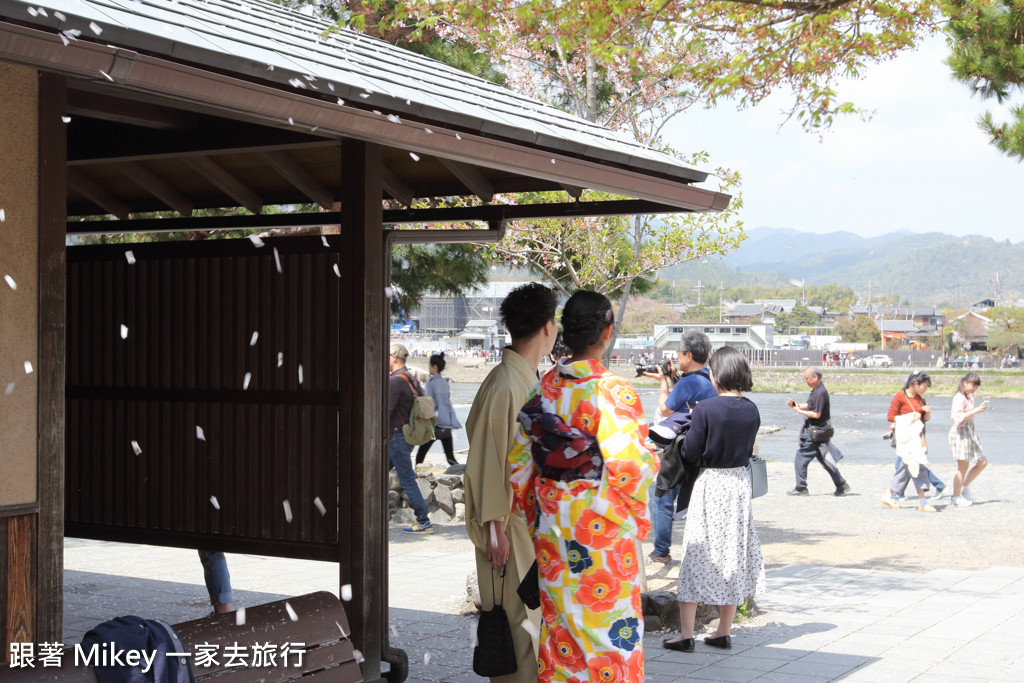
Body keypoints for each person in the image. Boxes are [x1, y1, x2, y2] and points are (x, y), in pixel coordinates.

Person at [508, 290, 657, 682]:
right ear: (607, 333)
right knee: (609, 640)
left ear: (565, 333)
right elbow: (631, 468)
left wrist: (542, 515)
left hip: (555, 535)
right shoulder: (612, 391)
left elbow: (519, 468)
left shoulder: (544, 389)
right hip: (602, 535)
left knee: (562, 635)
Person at [465, 282, 558, 683]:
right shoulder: (507, 384)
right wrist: (493, 526)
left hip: (523, 524)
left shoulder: (522, 379)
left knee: (530, 628)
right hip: (506, 527)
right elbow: (488, 458)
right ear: (548, 328)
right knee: (515, 630)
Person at [663, 346, 765, 653]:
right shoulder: (752, 409)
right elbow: (748, 451)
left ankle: (686, 634)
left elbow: (691, 453)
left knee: (697, 552)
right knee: (732, 553)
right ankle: (723, 631)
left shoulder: (706, 409)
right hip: (738, 484)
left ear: (717, 374)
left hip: (711, 484)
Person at [645, 330, 716, 564]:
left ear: (688, 354)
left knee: (662, 496)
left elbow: (666, 409)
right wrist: (675, 379)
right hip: (705, 449)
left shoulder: (689, 381)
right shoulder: (708, 377)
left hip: (683, 450)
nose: (677, 358)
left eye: (679, 353)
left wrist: (663, 382)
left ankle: (661, 552)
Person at [785, 366, 851, 496]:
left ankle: (801, 488)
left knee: (801, 458)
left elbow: (816, 414)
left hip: (816, 432)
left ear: (815, 377)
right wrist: (794, 405)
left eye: (807, 378)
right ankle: (841, 484)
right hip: (820, 432)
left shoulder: (821, 392)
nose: (806, 381)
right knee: (825, 459)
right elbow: (809, 405)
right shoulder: (816, 390)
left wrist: (800, 411)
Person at [388, 343, 433, 534]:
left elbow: (386, 409)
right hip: (408, 435)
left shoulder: (395, 381)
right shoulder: (412, 379)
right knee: (375, 474)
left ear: (394, 357)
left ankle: (423, 520)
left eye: (388, 354)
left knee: (407, 480)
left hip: (396, 436)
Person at [881, 372, 939, 512]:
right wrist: (911, 417)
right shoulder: (900, 396)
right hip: (905, 437)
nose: (925, 390)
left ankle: (889, 495)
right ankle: (922, 502)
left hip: (916, 437)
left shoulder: (920, 398)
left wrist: (927, 413)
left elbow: (923, 420)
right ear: (916, 384)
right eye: (924, 386)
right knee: (916, 467)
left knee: (907, 468)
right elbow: (891, 416)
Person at [414, 353, 463, 467]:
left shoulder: (431, 384)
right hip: (446, 424)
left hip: (436, 425)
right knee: (450, 458)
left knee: (420, 456)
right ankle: (463, 475)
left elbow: (428, 405)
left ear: (434, 366)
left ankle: (416, 476)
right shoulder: (444, 383)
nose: (429, 367)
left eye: (429, 365)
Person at [948, 371, 988, 507]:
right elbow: (958, 418)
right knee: (962, 466)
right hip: (961, 431)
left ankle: (964, 488)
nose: (974, 388)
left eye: (976, 386)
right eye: (972, 385)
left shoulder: (969, 396)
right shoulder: (959, 397)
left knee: (982, 462)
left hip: (970, 430)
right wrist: (976, 411)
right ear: (965, 383)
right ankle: (955, 496)